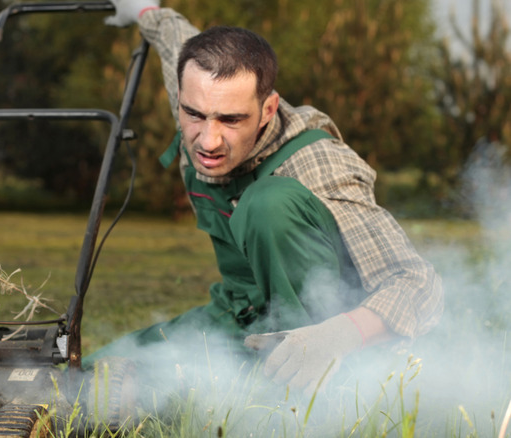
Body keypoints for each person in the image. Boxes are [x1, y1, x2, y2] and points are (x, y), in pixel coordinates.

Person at [87, 0, 443, 392]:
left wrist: (336, 337)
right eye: (194, 115)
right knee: (93, 374)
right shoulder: (199, 90)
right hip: (237, 315)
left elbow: (419, 286)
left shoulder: (317, 164)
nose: (207, 140)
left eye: (231, 119)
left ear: (268, 108)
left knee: (268, 203)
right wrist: (144, 11)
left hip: (325, 339)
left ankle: (304, 394)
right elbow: (175, 38)